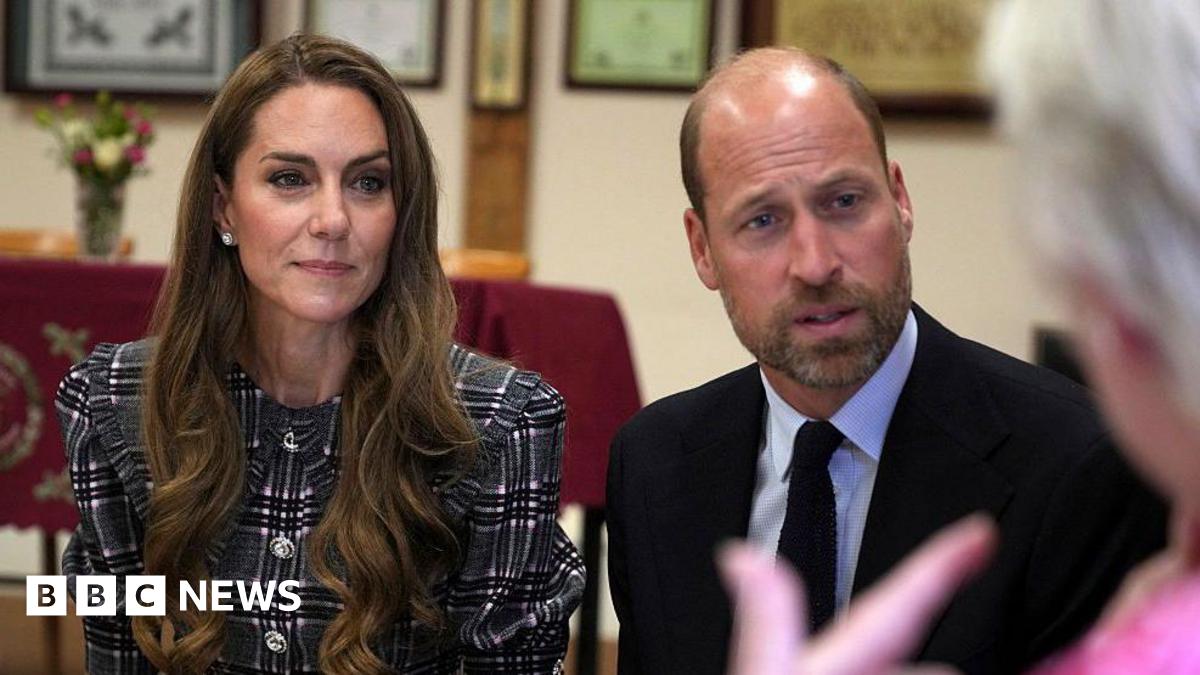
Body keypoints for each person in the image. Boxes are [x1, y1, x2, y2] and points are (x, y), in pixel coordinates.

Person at [606, 46, 1168, 674]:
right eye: (762, 221)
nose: (815, 263)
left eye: (844, 202)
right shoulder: (653, 463)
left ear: (900, 201)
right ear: (702, 248)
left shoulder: (1077, 465)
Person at [56, 34, 583, 674]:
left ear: (400, 210)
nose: (333, 219)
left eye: (367, 182)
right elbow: (117, 656)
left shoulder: (499, 422)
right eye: (289, 179)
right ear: (223, 206)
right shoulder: (114, 403)